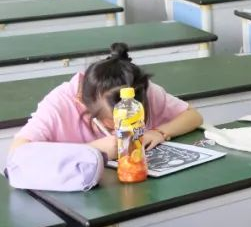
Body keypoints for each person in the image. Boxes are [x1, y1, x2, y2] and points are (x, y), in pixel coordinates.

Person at [9, 43, 203, 159]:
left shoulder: (137, 89)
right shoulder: (59, 104)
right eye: (114, 122)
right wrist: (93, 150)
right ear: (82, 102)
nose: (125, 127)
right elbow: (18, 153)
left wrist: (160, 132)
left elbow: (193, 116)